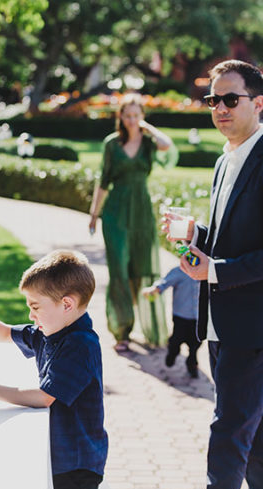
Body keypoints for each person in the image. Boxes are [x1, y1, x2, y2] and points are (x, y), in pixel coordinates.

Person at [163, 60, 263, 489]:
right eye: (214, 100)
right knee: (254, 430)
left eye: (231, 99)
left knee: (229, 429)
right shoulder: (225, 160)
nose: (220, 108)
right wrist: (196, 233)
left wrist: (215, 270)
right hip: (222, 318)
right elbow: (234, 236)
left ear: (258, 103)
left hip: (258, 324)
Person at [0, 250, 108, 489]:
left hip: (75, 463)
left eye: (35, 307)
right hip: (61, 456)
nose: (30, 316)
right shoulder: (50, 331)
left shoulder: (80, 345)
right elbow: (6, 333)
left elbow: (44, 397)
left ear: (67, 305)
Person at [88, 93, 177, 351]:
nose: (131, 120)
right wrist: (94, 214)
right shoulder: (112, 144)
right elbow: (104, 180)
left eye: (136, 115)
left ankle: (150, 327)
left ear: (142, 116)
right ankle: (122, 331)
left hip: (141, 213)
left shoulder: (149, 143)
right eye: (127, 115)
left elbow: (167, 146)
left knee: (143, 268)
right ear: (120, 117)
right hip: (115, 213)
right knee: (119, 270)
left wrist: (147, 128)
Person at [141, 266, 201, 377]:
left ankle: (192, 362)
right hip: (181, 316)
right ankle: (173, 352)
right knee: (176, 340)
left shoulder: (206, 270)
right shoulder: (180, 271)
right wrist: (155, 289)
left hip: (198, 317)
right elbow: (165, 282)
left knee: (195, 343)